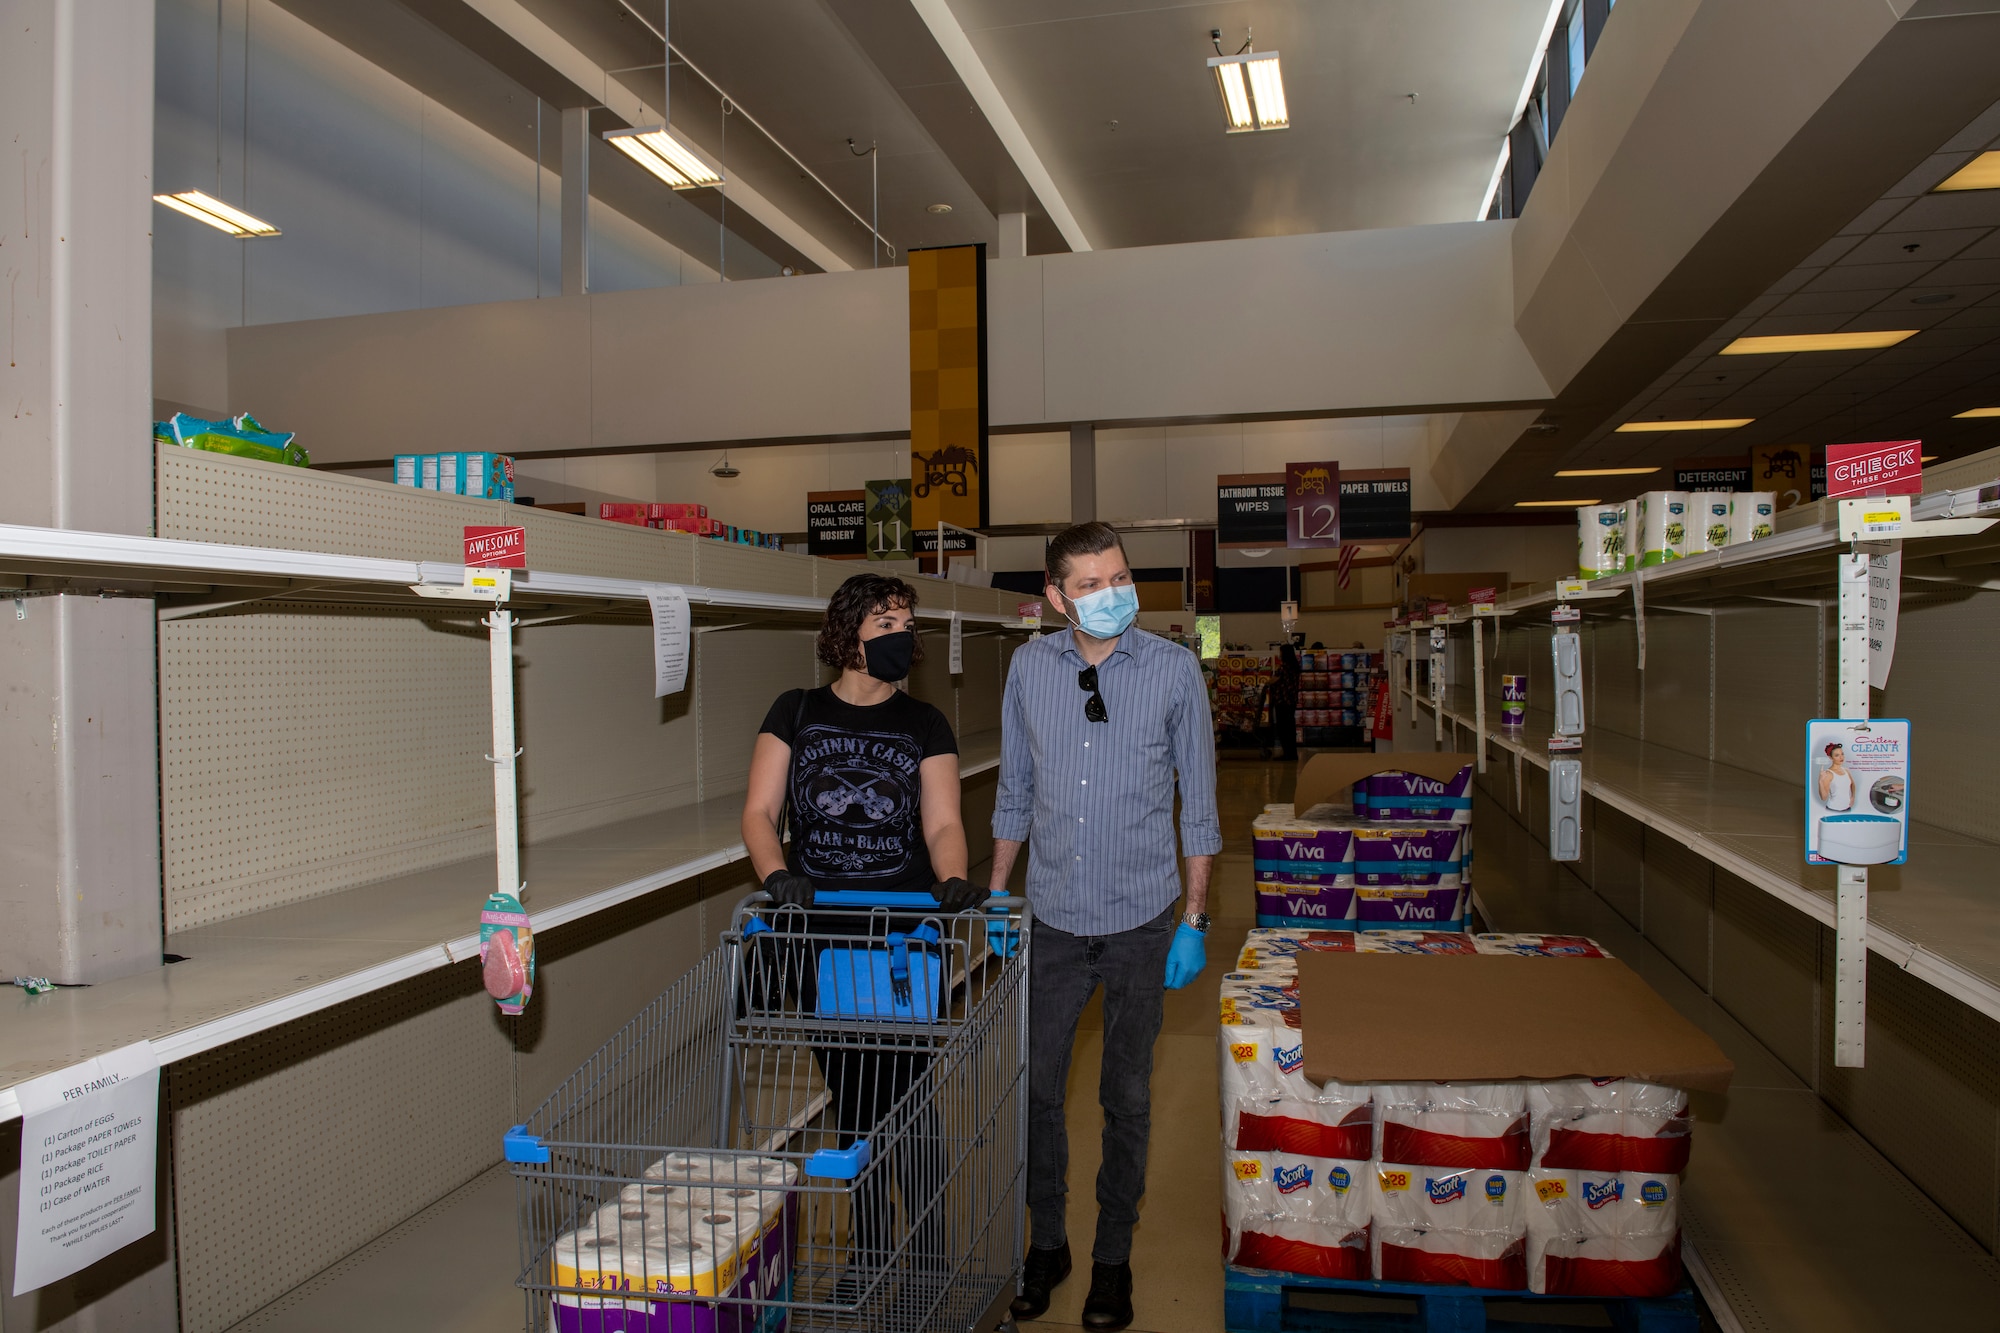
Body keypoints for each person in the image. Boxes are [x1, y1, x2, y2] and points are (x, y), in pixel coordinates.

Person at [990, 521, 1221, 1331]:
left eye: (1117, 575)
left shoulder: (1173, 669)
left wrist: (1193, 917)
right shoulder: (1028, 668)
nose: (1109, 591)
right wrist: (995, 893)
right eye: (1088, 583)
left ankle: (1113, 1258)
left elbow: (1200, 803)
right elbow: (1014, 791)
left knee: (1126, 1095)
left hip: (1141, 920)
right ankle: (1047, 1244)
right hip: (1051, 918)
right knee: (1039, 1091)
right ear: (1055, 596)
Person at [739, 572, 987, 1286]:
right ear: (848, 634)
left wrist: (949, 878)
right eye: (886, 621)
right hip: (824, 934)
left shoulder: (925, 723)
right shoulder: (797, 710)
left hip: (903, 934)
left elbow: (942, 820)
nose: (902, 634)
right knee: (853, 1093)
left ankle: (930, 1251)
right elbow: (759, 809)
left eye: (907, 621)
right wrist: (775, 873)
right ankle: (872, 1248)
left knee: (909, 1091)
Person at [1270, 642, 1301, 761]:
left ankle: (1287, 754)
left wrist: (1265, 682)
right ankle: (1292, 753)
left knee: (1283, 728)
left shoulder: (1283, 667)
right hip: (1291, 700)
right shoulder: (1295, 667)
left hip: (1282, 700)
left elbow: (1274, 680)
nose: (1279, 654)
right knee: (1290, 727)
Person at [1817, 742, 1854, 811]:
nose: (1841, 757)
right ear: (1831, 758)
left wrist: (1853, 797)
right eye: (1837, 755)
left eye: (1842, 754)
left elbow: (1852, 784)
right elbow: (1824, 797)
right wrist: (1820, 782)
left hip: (1847, 808)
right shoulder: (1829, 774)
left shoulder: (1846, 770)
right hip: (1833, 809)